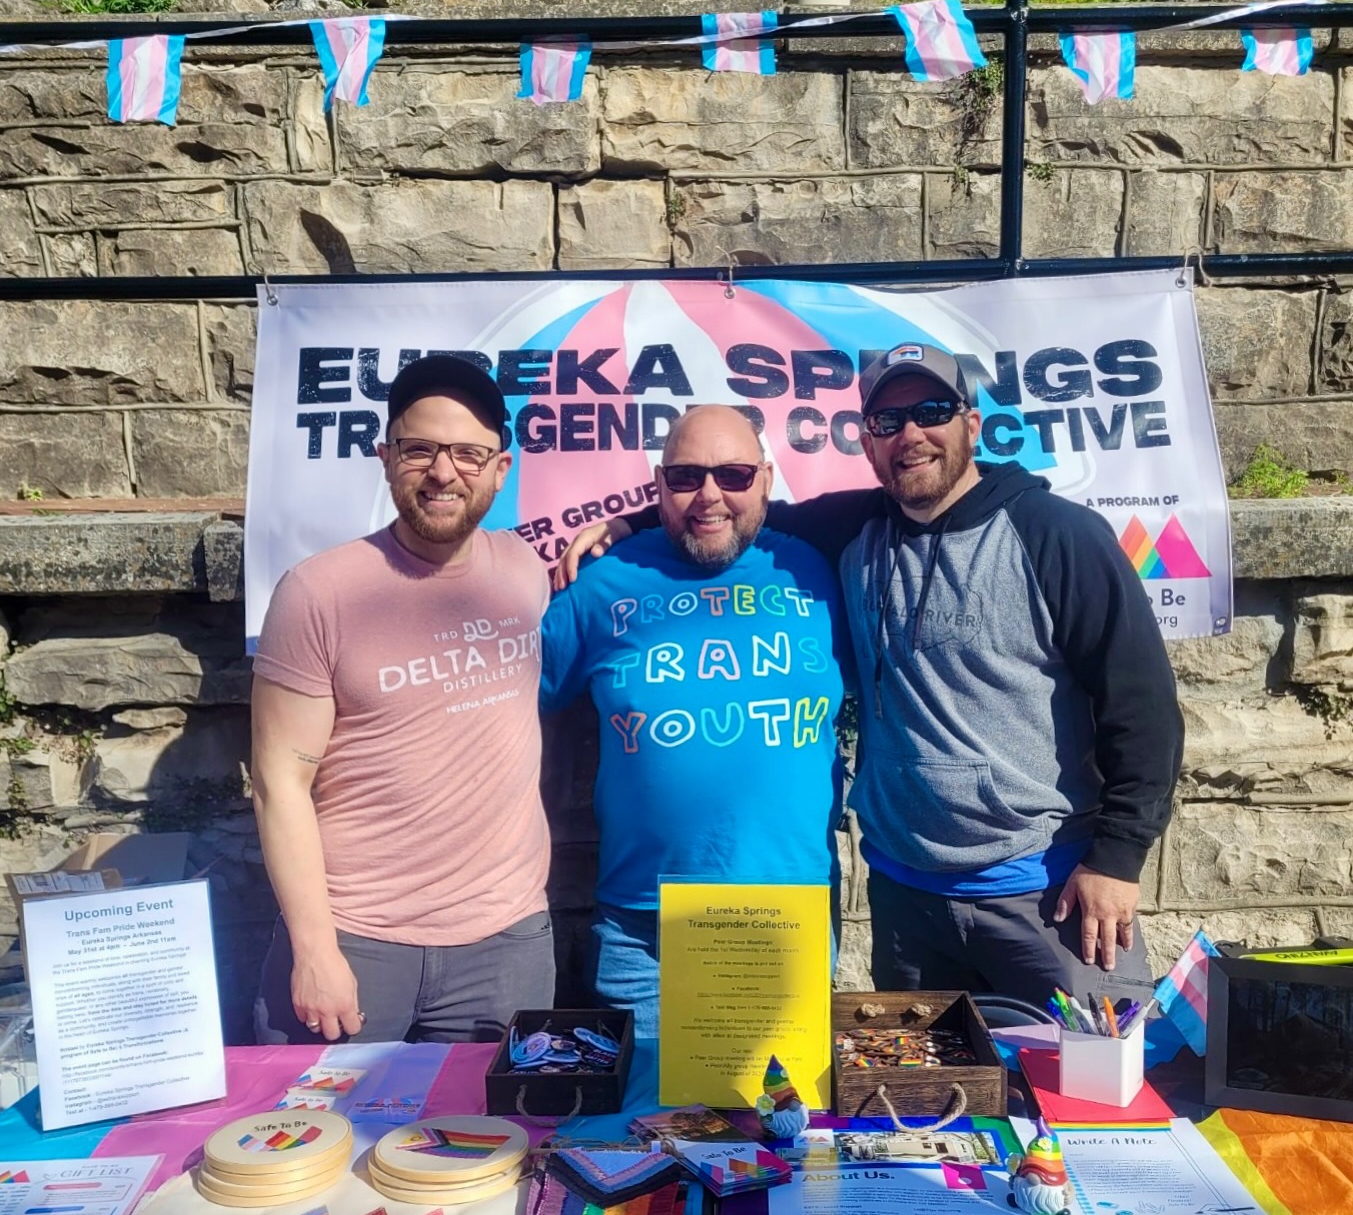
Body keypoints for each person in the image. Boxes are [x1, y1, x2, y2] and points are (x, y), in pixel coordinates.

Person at [556, 343, 1183, 1009]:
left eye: (931, 411)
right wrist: (631, 522)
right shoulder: (851, 530)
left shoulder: (1056, 535)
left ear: (971, 424)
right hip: (907, 902)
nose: (909, 434)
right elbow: (725, 510)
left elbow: (1142, 705)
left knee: (1089, 1103)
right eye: (887, 422)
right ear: (866, 442)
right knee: (919, 1108)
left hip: (1046, 894)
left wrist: (1116, 858)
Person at [251, 354, 555, 1045]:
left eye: (468, 454)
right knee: (312, 1148)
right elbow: (279, 783)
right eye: (420, 449)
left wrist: (622, 527)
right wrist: (315, 950)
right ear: (385, 457)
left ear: (500, 469)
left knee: (491, 1152)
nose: (443, 472)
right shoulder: (317, 593)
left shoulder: (523, 571)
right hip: (356, 943)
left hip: (504, 947)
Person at [540, 404, 846, 1034]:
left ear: (765, 477)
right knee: (647, 1128)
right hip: (642, 930)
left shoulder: (820, 571)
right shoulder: (603, 582)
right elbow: (504, 709)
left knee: (781, 1127)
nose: (709, 495)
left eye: (732, 475)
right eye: (685, 478)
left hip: (783, 918)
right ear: (659, 485)